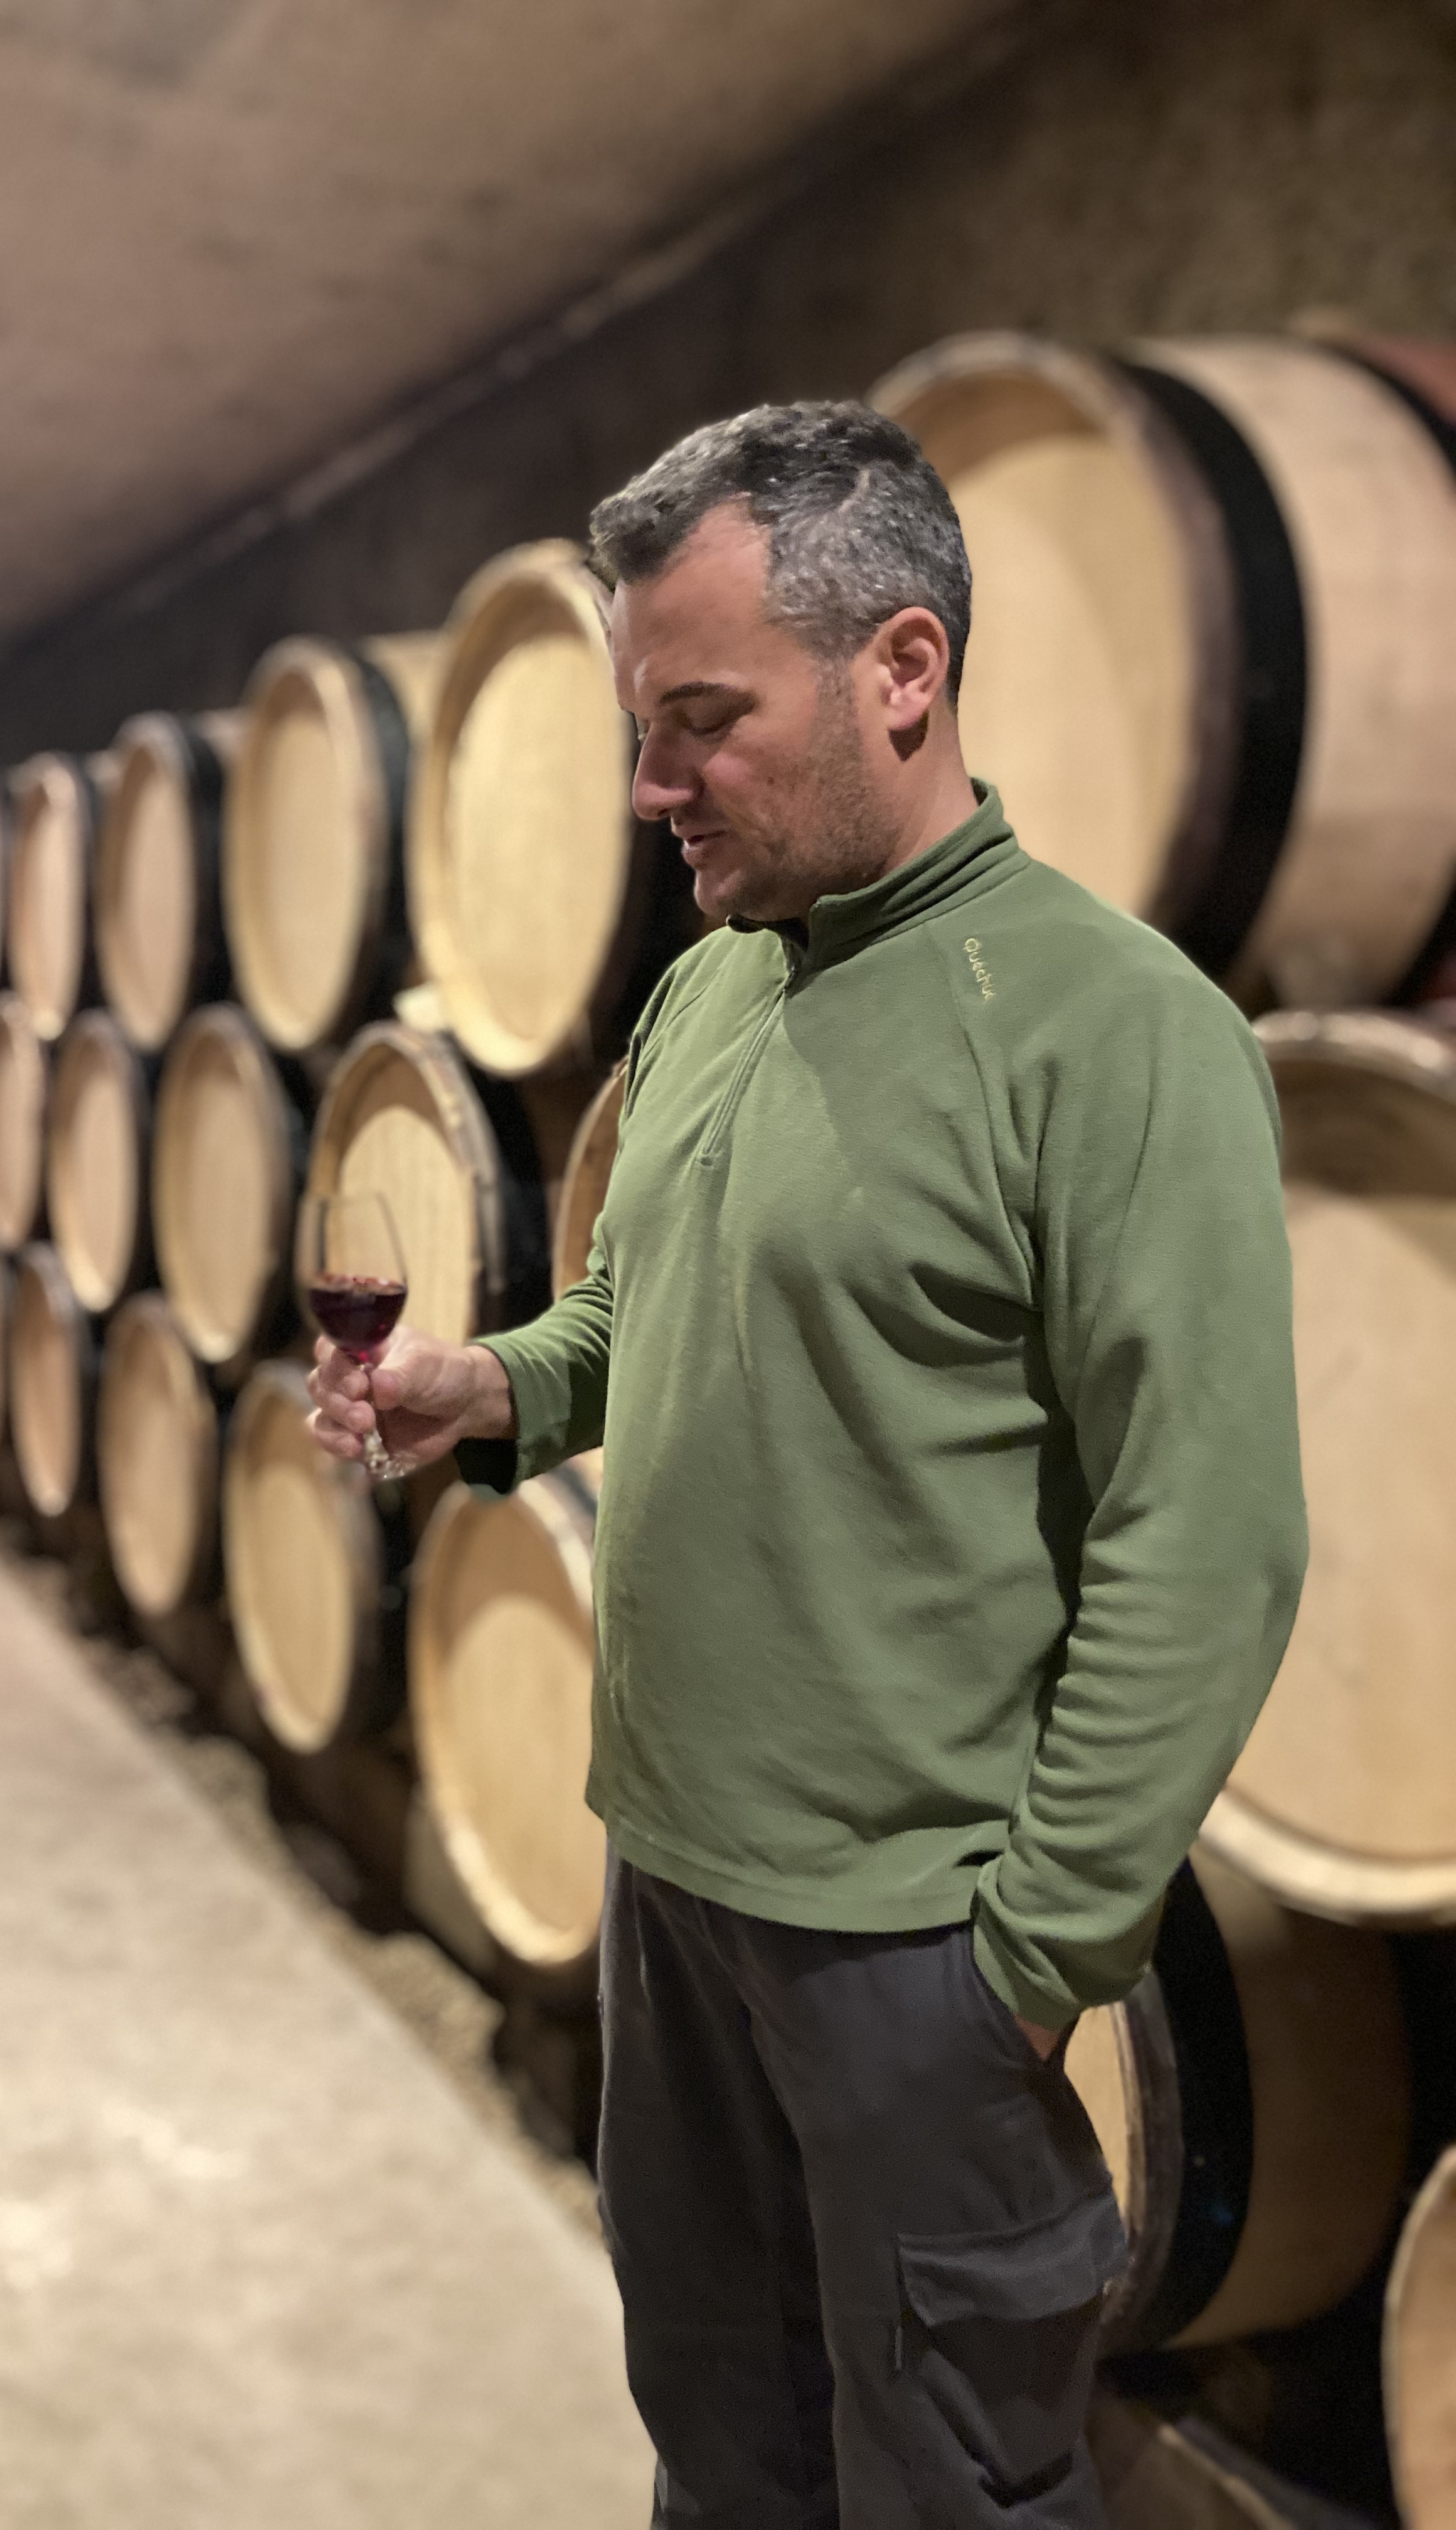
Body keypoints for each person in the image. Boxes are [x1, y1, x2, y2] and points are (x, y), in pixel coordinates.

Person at [307, 402, 1307, 2527]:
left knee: (950, 2490)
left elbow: (1205, 1544)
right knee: (723, 2457)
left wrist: (1026, 1969)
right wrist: (490, 1387)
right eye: (638, 731)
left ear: (903, 669)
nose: (651, 789)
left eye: (704, 723)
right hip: (668, 1889)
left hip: (914, 1952)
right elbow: (637, 1316)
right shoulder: (712, 996)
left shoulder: (1114, 1030)